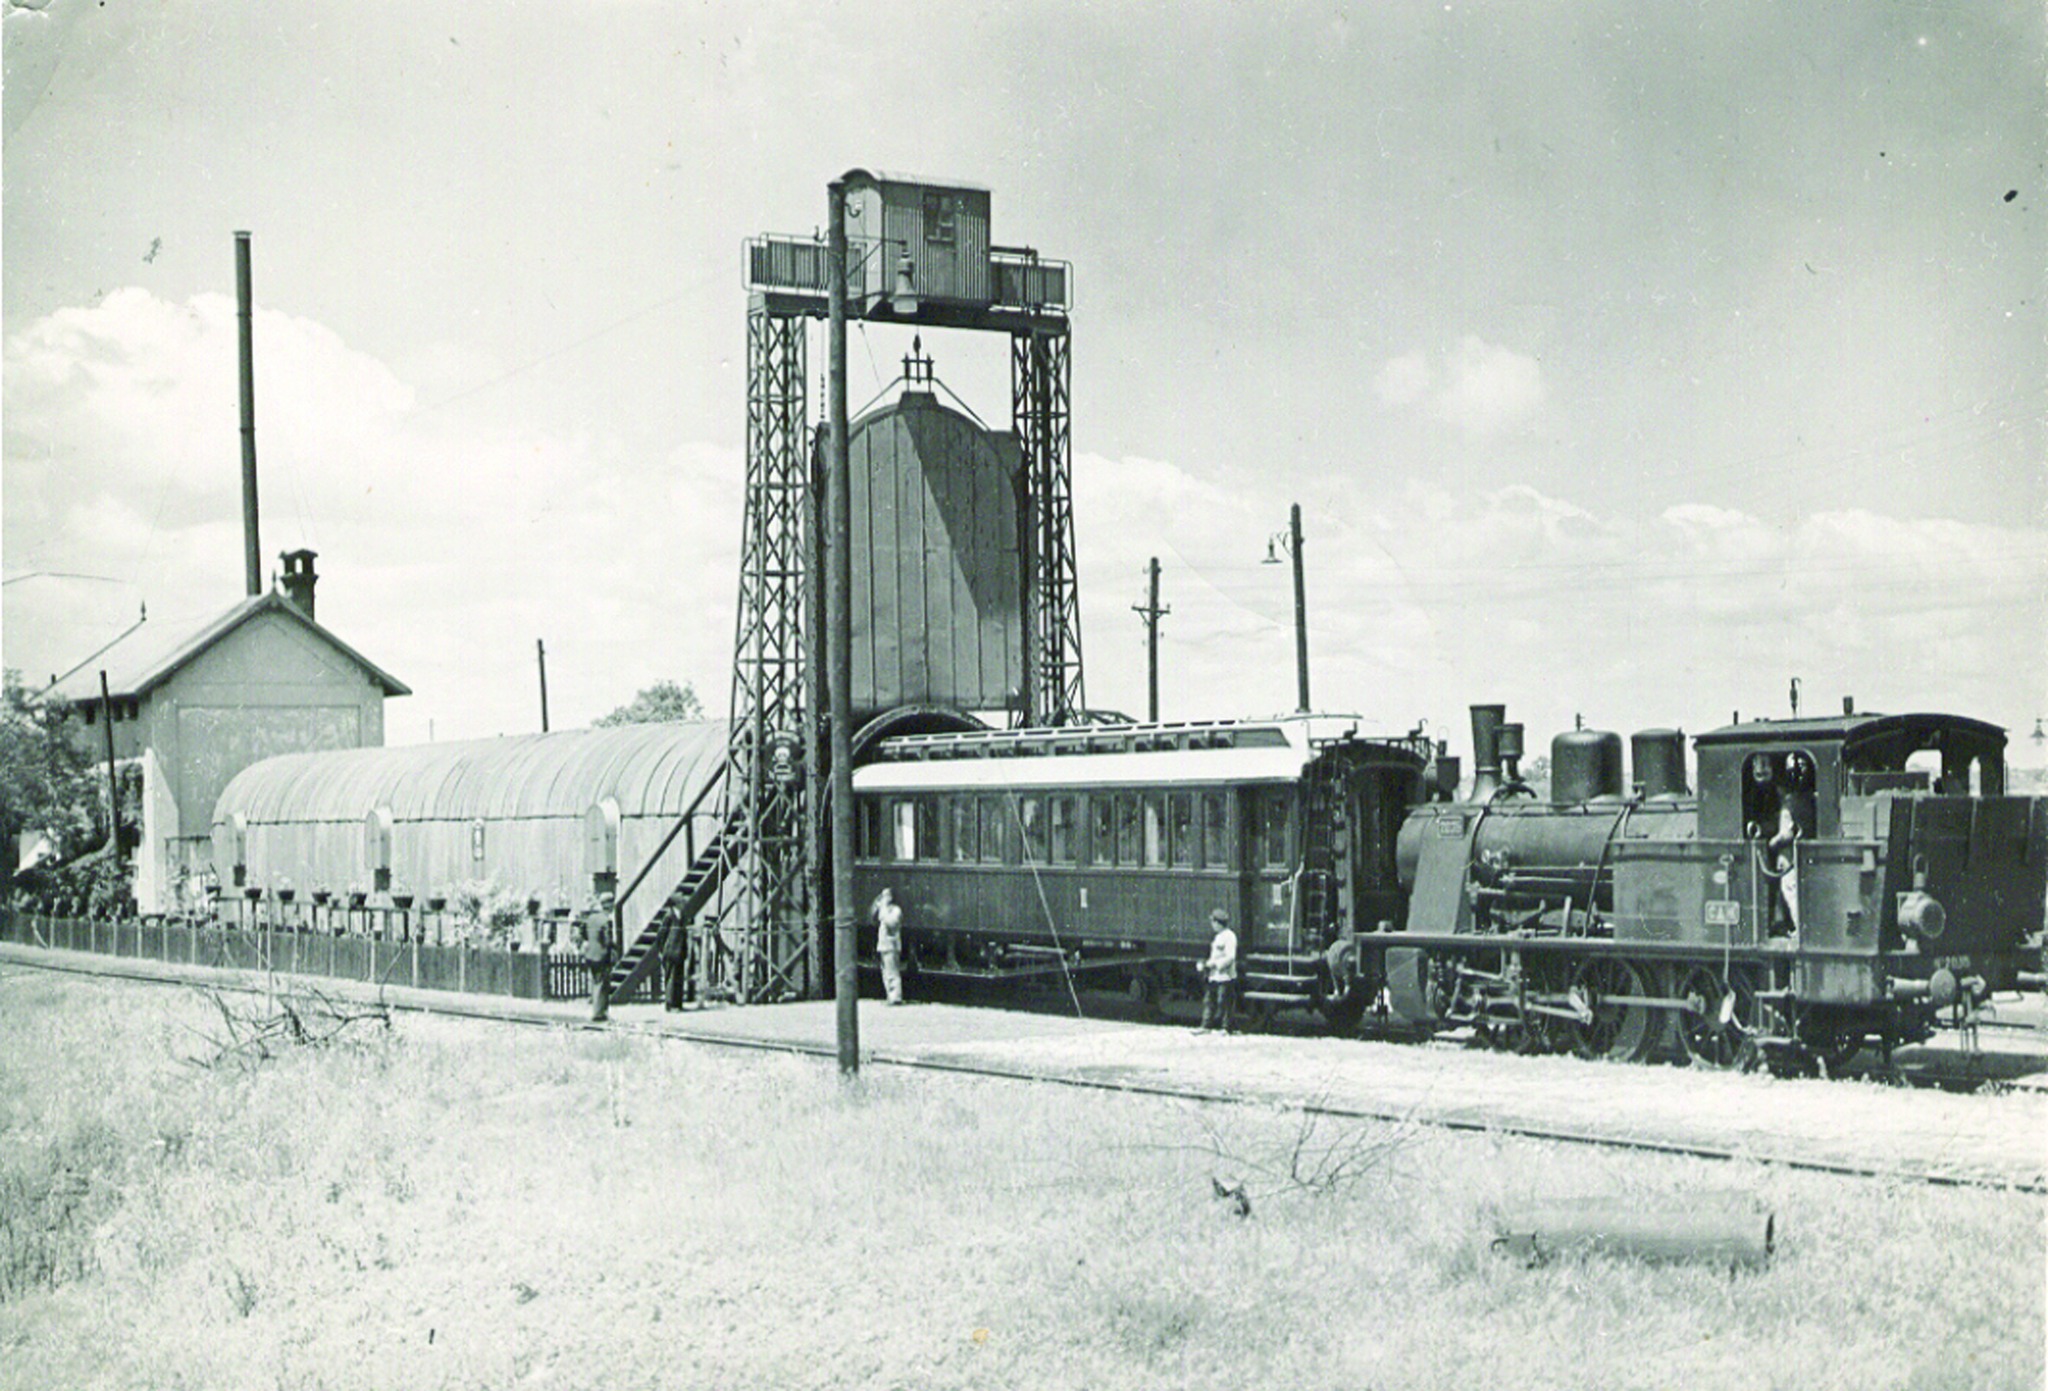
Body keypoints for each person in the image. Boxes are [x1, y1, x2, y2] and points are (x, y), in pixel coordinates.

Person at [1768, 753, 1816, 936]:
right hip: (1800, 855)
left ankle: (1799, 930)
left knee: (1790, 890)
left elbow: (1787, 834)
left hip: (1790, 857)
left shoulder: (1791, 802)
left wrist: (1771, 844)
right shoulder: (1808, 798)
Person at [1199, 908, 1238, 1034]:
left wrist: (1215, 964)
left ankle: (1226, 1028)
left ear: (1218, 923)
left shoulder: (1230, 936)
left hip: (1225, 976)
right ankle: (1206, 1026)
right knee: (1209, 1000)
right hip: (1214, 975)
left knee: (1224, 1002)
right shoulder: (1218, 937)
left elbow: (1230, 956)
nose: (1212, 925)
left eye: (1213, 922)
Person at [582, 891, 617, 1022]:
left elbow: (584, 933)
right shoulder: (606, 920)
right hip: (602, 955)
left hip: (590, 955)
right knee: (603, 984)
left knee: (596, 982)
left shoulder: (591, 918)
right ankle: (599, 1012)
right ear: (608, 905)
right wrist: (614, 948)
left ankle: (598, 1010)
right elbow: (607, 941)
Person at [872, 887, 905, 1005]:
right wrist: (877, 907)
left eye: (885, 895)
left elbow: (891, 923)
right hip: (884, 945)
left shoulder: (896, 910)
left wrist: (883, 909)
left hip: (892, 945)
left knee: (892, 972)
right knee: (886, 972)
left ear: (891, 897)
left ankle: (896, 997)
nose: (883, 898)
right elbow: (873, 917)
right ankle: (890, 996)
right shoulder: (885, 910)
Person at [658, 910, 690, 1012]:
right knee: (670, 978)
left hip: (680, 952)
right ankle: (670, 1004)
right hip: (670, 951)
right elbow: (661, 934)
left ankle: (678, 1004)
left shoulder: (682, 917)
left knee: (679, 979)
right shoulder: (669, 916)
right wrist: (662, 950)